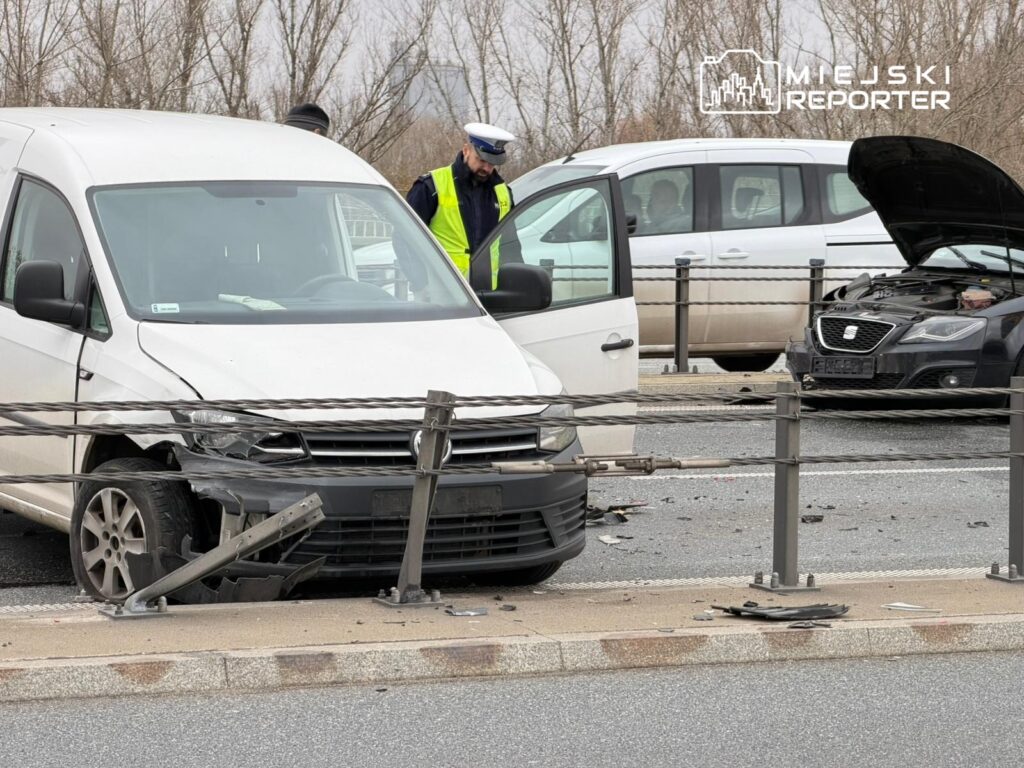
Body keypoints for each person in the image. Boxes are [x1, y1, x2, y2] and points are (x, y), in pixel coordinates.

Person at [406, 122, 516, 288]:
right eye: (481, 160)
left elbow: (511, 245)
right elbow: (406, 239)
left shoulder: (503, 193)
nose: (486, 168)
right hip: (442, 294)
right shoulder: (432, 186)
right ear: (466, 150)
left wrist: (513, 290)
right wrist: (420, 284)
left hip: (490, 295)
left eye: (492, 163)